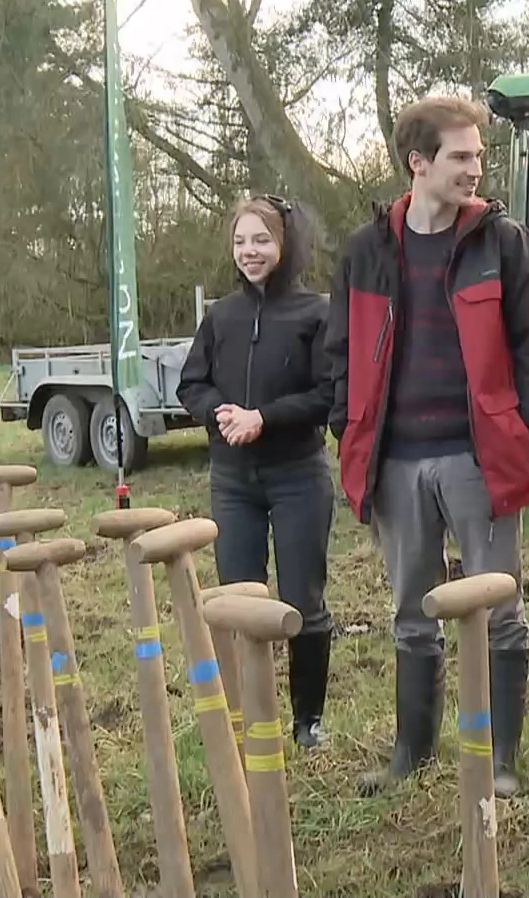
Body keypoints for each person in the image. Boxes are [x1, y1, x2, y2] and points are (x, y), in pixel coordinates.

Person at [326, 96, 529, 798]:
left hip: (477, 458)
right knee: (411, 609)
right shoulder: (368, 251)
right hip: (395, 461)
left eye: (479, 157)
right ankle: (411, 754)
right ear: (418, 163)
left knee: (499, 605)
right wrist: (350, 426)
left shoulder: (504, 243)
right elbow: (340, 351)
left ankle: (504, 760)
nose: (475, 170)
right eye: (461, 157)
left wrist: (525, 431)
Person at [177, 195, 334, 748]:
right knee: (239, 599)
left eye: (261, 240)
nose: (250, 252)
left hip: (298, 477)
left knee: (300, 600)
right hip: (233, 482)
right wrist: (221, 414)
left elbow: (328, 395)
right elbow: (191, 385)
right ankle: (246, 716)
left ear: (286, 245)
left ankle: (307, 721)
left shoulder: (316, 313)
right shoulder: (221, 316)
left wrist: (263, 418)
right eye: (241, 241)